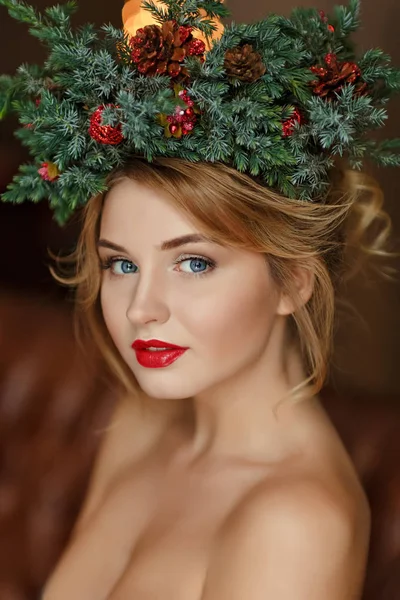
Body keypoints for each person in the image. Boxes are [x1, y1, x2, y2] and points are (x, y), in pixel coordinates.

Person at [0, 0, 398, 598]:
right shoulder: (142, 420)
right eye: (122, 263)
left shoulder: (295, 524)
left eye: (194, 262)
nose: (141, 308)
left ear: (292, 280)